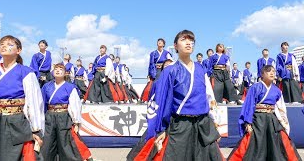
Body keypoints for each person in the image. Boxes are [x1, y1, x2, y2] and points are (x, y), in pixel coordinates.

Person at [128, 30, 224, 160]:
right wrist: (160, 129)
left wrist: (214, 123)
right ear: (175, 46)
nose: (189, 43)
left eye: (191, 41)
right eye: (184, 40)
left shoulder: (201, 69)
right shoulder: (169, 71)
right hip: (180, 125)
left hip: (203, 124)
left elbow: (209, 97)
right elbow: (160, 101)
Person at [0, 35, 44, 160]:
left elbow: (34, 103)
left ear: (19, 50)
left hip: (15, 123)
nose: (4, 46)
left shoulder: (26, 72)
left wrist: (36, 130)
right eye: (2, 44)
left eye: (9, 44)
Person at [228, 65, 301, 160]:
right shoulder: (255, 87)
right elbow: (249, 105)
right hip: (257, 119)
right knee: (254, 142)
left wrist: (283, 122)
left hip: (272, 119)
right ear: (262, 74)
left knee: (278, 143)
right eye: (269, 71)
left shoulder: (277, 90)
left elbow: (281, 108)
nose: (272, 73)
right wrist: (247, 122)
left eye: (273, 71)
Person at [41, 63, 92, 161]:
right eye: (56, 69)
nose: (58, 70)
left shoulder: (70, 87)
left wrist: (76, 122)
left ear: (65, 73)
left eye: (61, 69)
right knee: (48, 142)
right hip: (50, 116)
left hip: (64, 116)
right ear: (52, 72)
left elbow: (75, 105)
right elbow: (42, 103)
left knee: (65, 143)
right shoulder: (46, 87)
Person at [141, 38, 173, 103]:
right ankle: (152, 98)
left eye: (161, 42)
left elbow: (170, 62)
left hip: (164, 70)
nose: (159, 42)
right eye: (158, 41)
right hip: (155, 71)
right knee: (154, 84)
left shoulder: (166, 53)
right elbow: (150, 64)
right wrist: (149, 74)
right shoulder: (153, 53)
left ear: (163, 44)